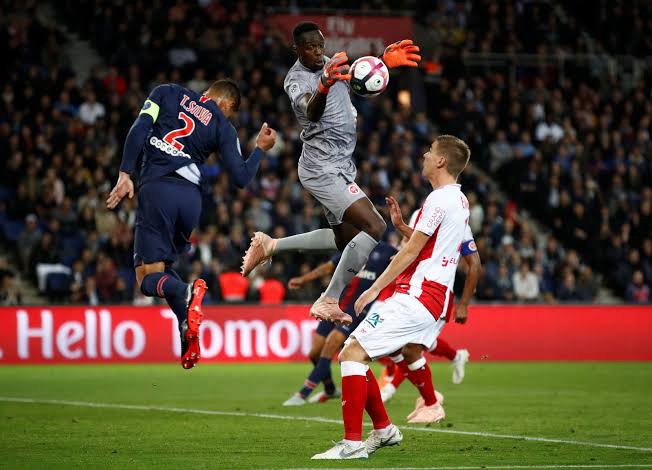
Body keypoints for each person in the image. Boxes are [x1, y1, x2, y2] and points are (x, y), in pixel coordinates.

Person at [241, 21, 420, 323]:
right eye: (309, 47)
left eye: (320, 45)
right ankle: (329, 299)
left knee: (346, 239)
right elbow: (311, 111)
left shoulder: (330, 64)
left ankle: (271, 245)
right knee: (374, 227)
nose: (316, 51)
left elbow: (358, 79)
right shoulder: (295, 79)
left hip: (340, 165)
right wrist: (322, 85)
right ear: (297, 49)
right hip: (320, 168)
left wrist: (383, 63)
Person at [311, 135, 471, 460]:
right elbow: (429, 245)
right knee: (360, 354)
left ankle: (353, 444)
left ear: (441, 161)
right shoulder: (459, 199)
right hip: (431, 296)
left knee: (351, 353)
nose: (425, 155)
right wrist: (401, 226)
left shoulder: (438, 200)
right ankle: (385, 429)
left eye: (430, 152)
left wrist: (373, 289)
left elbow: (411, 252)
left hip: (418, 295)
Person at [106, 80, 276, 369]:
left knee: (146, 280)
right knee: (163, 271)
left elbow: (140, 128)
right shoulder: (223, 126)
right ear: (226, 105)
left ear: (208, 93)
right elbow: (241, 178)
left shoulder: (166, 92)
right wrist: (259, 149)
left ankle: (185, 293)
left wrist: (125, 173)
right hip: (190, 201)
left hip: (158, 189)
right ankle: (186, 328)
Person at [378, 205, 481, 405]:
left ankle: (394, 390)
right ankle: (455, 357)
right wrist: (400, 255)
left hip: (438, 292)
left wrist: (464, 303)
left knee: (411, 348)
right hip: (412, 287)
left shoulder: (460, 221)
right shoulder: (419, 214)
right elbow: (410, 244)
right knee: (408, 345)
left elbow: (474, 264)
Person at [282, 241, 398, 406]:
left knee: (332, 343)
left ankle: (303, 393)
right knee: (314, 353)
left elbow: (404, 263)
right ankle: (330, 389)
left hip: (357, 309)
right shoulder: (354, 246)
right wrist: (303, 279)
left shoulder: (387, 251)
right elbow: (328, 267)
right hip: (336, 303)